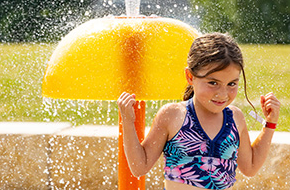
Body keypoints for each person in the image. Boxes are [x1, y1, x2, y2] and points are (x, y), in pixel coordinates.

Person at [117, 32, 281, 190]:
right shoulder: (173, 115)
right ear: (190, 76)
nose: (222, 94)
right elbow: (139, 167)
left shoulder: (235, 118)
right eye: (213, 83)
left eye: (231, 84)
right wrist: (128, 121)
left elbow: (250, 167)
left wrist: (270, 124)